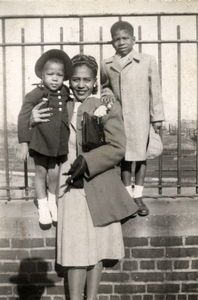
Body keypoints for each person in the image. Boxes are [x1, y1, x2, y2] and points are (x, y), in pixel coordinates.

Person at [30, 54, 138, 300]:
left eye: (87, 80)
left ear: (95, 82)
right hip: (69, 187)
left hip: (98, 185)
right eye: (76, 79)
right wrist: (31, 120)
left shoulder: (108, 106)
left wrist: (88, 161)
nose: (80, 85)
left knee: (97, 248)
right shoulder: (59, 104)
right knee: (75, 248)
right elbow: (38, 130)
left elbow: (117, 147)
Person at [101, 21, 165, 216]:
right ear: (112, 42)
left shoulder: (146, 60)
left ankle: (138, 195)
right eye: (116, 39)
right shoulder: (107, 64)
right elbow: (104, 86)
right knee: (125, 158)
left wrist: (157, 118)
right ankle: (127, 197)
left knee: (141, 157)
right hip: (119, 119)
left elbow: (155, 90)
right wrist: (106, 92)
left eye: (125, 38)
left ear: (134, 40)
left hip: (140, 118)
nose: (121, 43)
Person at [16, 49, 73, 225]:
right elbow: (23, 116)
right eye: (50, 74)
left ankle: (52, 202)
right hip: (41, 141)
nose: (55, 78)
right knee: (41, 172)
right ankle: (42, 207)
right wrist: (24, 143)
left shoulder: (65, 91)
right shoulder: (37, 93)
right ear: (42, 75)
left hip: (58, 142)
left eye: (59, 75)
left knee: (54, 174)